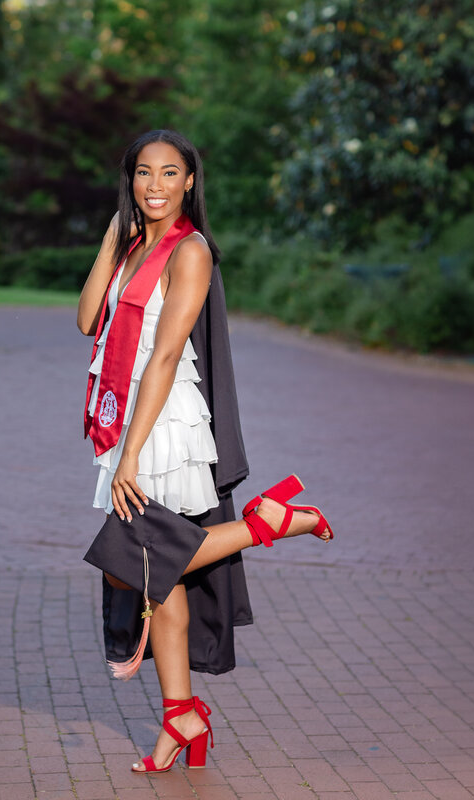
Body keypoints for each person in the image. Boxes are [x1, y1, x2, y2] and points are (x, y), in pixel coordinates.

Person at [77, 129, 333, 774]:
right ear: (130, 181)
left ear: (190, 180)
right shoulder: (133, 245)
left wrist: (132, 454)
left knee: (132, 559)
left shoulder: (189, 251)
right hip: (126, 413)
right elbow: (87, 320)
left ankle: (267, 524)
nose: (155, 185)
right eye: (142, 172)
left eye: (169, 173)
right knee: (156, 580)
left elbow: (165, 355)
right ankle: (181, 717)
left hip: (162, 420)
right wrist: (112, 237)